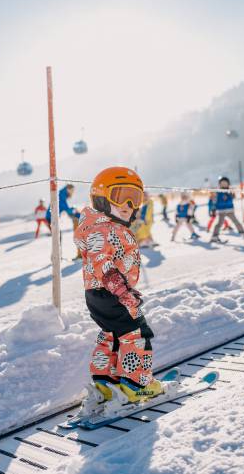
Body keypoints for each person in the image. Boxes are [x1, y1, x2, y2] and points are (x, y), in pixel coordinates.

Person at [74, 167, 163, 403]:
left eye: (134, 198)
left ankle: (106, 382)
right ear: (101, 198)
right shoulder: (102, 229)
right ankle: (137, 385)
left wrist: (123, 286)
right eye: (119, 196)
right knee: (137, 333)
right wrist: (122, 291)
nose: (127, 204)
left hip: (98, 294)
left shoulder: (101, 225)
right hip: (112, 294)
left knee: (112, 335)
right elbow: (101, 261)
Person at [46, 183, 82, 258]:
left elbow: (66, 209)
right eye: (72, 191)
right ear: (68, 190)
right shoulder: (61, 196)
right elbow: (67, 210)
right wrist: (77, 212)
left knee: (58, 236)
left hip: (52, 217)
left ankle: (56, 256)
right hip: (51, 218)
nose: (72, 193)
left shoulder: (62, 194)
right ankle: (56, 257)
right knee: (57, 236)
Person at [210, 176, 244, 243]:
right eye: (222, 183)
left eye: (225, 183)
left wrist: (231, 195)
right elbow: (214, 201)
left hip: (229, 210)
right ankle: (214, 236)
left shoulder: (230, 191)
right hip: (221, 211)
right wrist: (213, 209)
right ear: (219, 184)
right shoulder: (218, 192)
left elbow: (232, 199)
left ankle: (243, 233)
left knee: (236, 222)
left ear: (228, 183)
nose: (224, 184)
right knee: (219, 224)